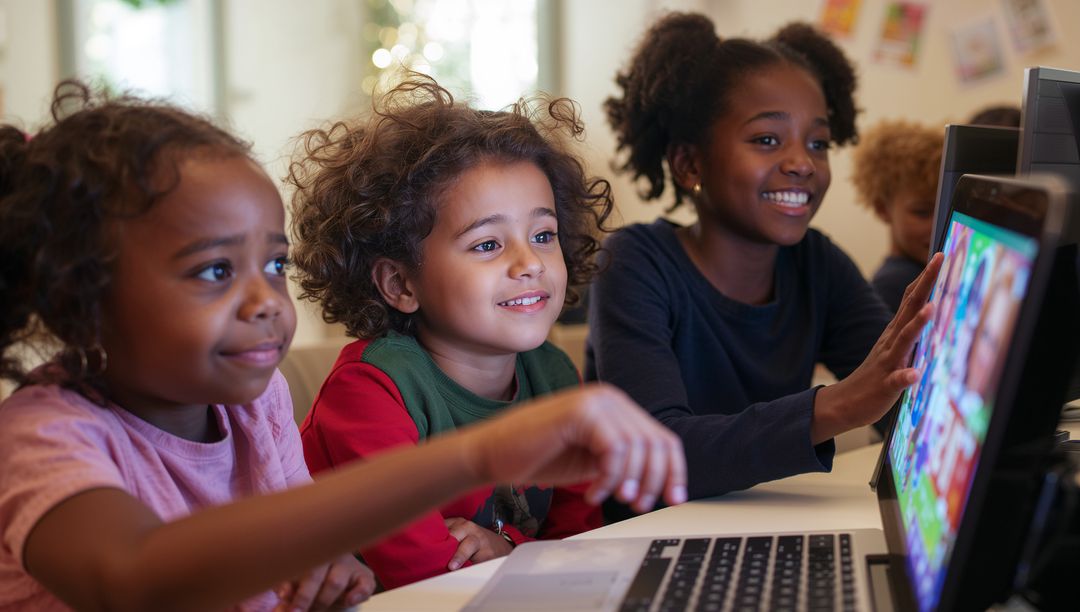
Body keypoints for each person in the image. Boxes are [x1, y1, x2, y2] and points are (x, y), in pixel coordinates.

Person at [0, 80, 687, 611]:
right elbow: (135, 579)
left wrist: (331, 570)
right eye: (215, 271)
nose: (266, 302)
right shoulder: (44, 438)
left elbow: (302, 556)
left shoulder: (255, 401)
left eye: (273, 266)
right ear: (80, 300)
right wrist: (474, 456)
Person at [589, 12, 942, 516]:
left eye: (817, 143)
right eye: (767, 140)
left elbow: (905, 393)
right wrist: (838, 405)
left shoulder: (816, 262)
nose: (803, 162)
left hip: (763, 520)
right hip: (644, 542)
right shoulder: (633, 262)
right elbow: (658, 450)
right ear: (690, 163)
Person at [288, 75, 621, 589]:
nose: (529, 261)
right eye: (488, 245)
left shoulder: (554, 375)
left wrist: (506, 548)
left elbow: (582, 539)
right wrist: (522, 557)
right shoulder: (370, 390)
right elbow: (419, 567)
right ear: (400, 283)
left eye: (543, 234)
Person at [851, 119, 944, 312]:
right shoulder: (892, 287)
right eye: (922, 213)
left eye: (944, 209)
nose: (937, 224)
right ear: (882, 209)